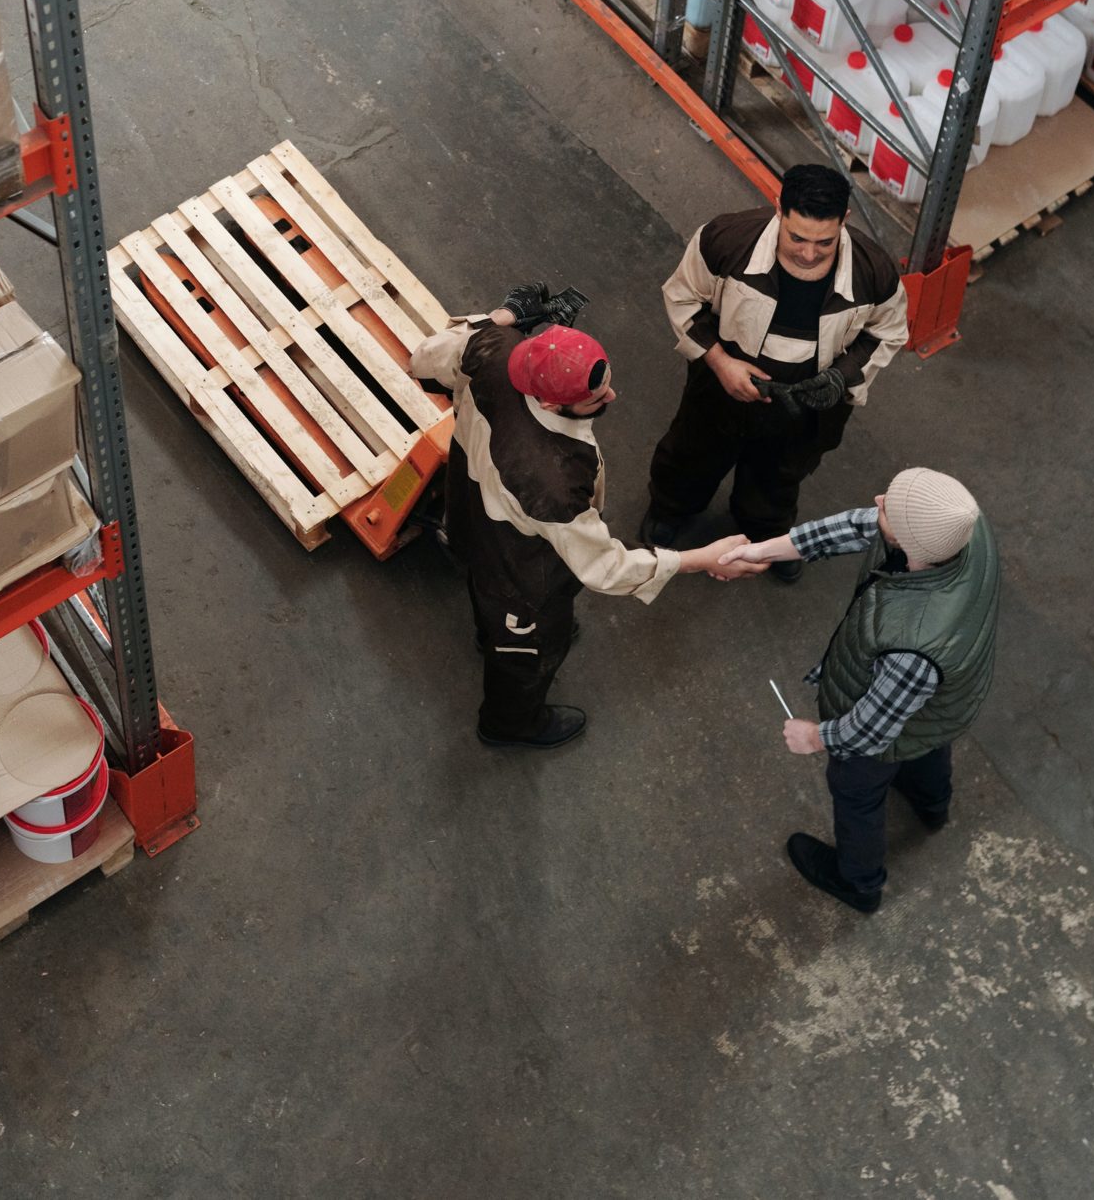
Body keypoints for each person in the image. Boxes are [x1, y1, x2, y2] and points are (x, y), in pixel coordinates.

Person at [410, 304, 752, 750]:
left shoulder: (494, 347)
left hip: (471, 515)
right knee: (529, 654)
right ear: (551, 403)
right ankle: (509, 724)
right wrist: (695, 559)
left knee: (482, 583)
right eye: (596, 399)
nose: (612, 399)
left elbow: (423, 360)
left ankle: (489, 634)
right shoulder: (549, 479)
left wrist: (504, 314)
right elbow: (604, 566)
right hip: (521, 572)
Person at [743, 467, 998, 913]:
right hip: (942, 707)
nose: (878, 499)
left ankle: (859, 883)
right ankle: (932, 805)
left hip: (894, 718)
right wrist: (764, 549)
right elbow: (866, 525)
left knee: (857, 791)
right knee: (925, 743)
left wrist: (814, 737)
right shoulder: (961, 528)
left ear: (909, 545)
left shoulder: (913, 650)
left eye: (890, 507)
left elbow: (868, 732)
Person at [641, 164, 910, 583]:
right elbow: (682, 298)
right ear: (779, 209)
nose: (808, 253)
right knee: (691, 453)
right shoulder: (725, 242)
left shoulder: (873, 274)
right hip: (720, 390)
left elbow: (887, 333)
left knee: (781, 475)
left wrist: (841, 376)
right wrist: (720, 362)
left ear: (845, 221)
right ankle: (671, 510)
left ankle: (768, 534)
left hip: (807, 406)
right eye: (797, 237)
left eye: (824, 242)